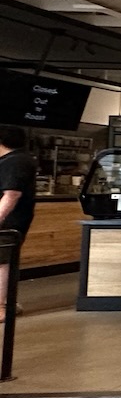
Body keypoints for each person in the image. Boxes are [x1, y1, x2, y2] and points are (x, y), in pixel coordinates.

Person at [0, 126, 37, 315]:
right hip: (11, 220)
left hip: (9, 222)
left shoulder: (15, 161)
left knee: (2, 262)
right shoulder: (15, 160)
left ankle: (1, 307)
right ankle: (7, 304)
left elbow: (11, 194)